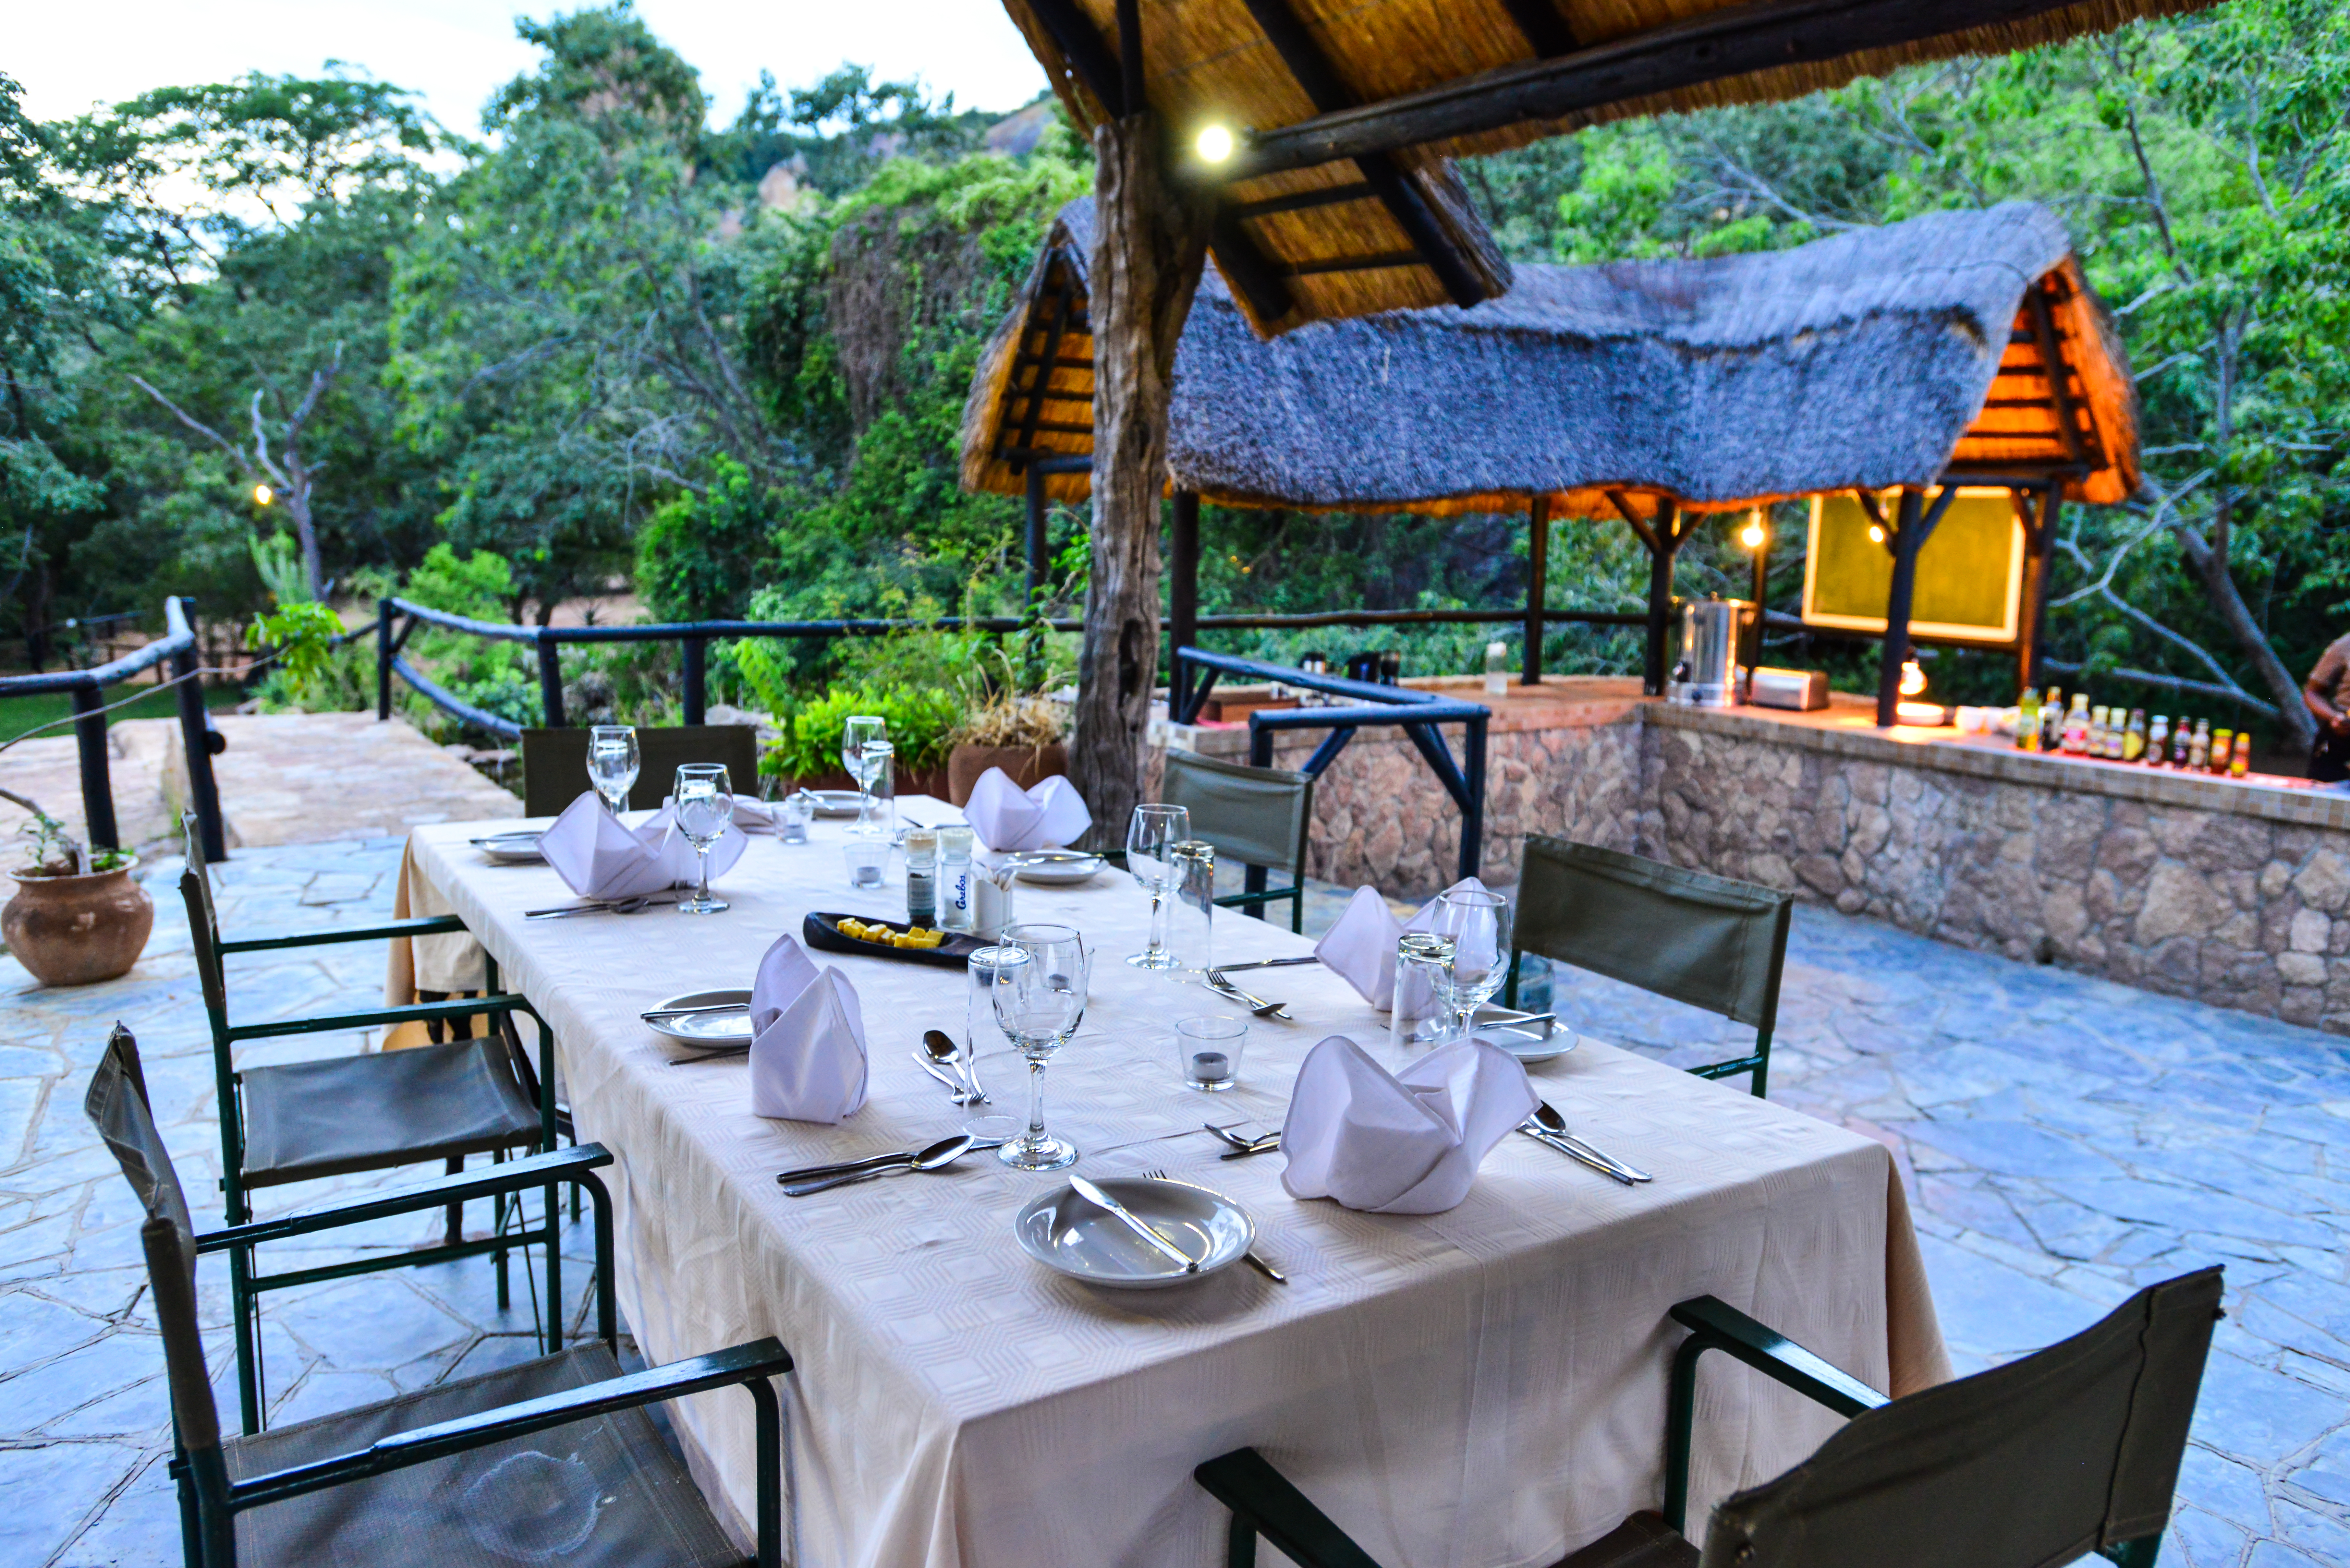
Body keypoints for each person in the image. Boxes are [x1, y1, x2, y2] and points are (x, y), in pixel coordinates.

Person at [2305, 631, 2350, 782]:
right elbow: (2312, 693)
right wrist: (2333, 717)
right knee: (2323, 800)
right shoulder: (2346, 644)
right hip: (2343, 734)